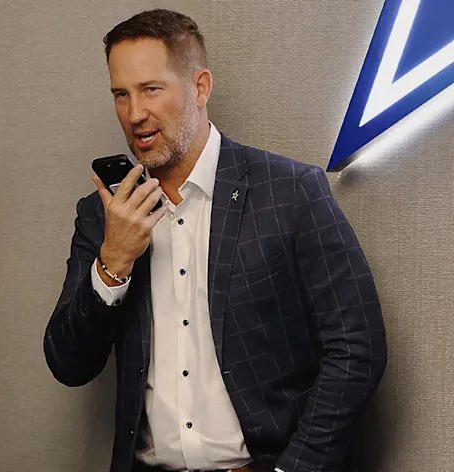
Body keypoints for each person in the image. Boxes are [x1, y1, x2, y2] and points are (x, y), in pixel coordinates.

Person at [44, 10, 386, 472]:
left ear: (200, 87)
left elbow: (357, 347)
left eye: (151, 89)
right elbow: (68, 363)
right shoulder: (102, 214)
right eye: (121, 94)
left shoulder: (290, 192)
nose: (135, 114)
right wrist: (113, 264)